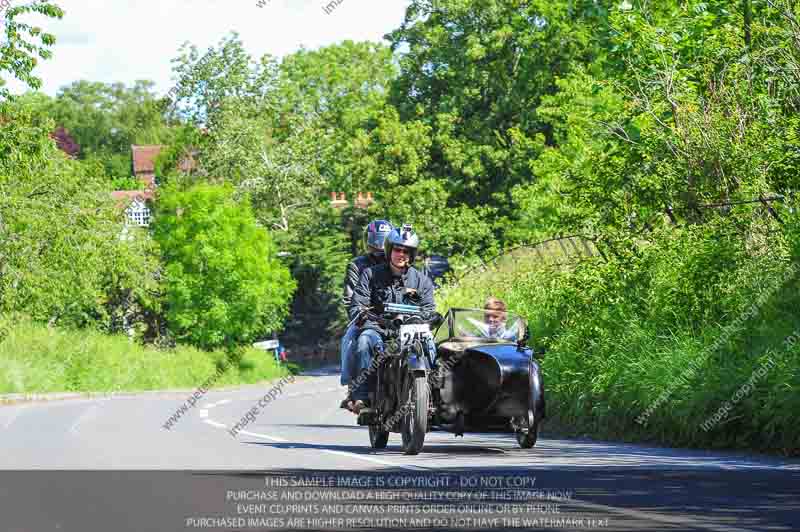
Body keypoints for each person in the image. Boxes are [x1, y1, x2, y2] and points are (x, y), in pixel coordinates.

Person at [345, 224, 436, 414]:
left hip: (409, 331)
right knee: (363, 341)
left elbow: (428, 308)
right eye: (397, 249)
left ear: (411, 254)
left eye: (406, 251)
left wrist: (426, 317)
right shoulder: (370, 274)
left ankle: (431, 394)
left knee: (431, 345)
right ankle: (363, 397)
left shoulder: (422, 280)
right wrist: (361, 313)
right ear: (389, 250)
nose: (400, 254)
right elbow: (357, 302)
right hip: (378, 328)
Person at [339, 220, 394, 409]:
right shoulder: (357, 265)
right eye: (375, 242)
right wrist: (360, 315)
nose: (377, 247)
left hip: (396, 319)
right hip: (367, 317)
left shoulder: (397, 263)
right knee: (351, 340)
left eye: (382, 242)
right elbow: (349, 298)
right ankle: (353, 390)